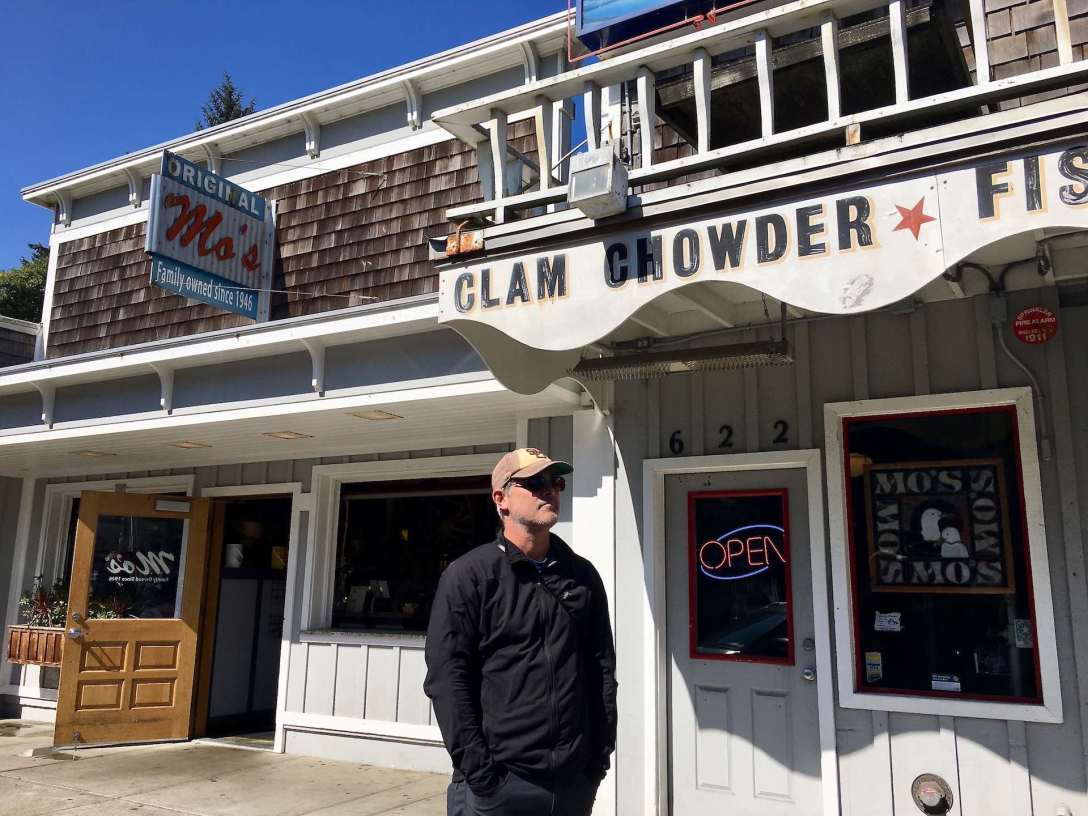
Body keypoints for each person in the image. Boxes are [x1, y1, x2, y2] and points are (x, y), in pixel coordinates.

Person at [424, 447, 618, 816]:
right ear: (501, 499)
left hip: (572, 786)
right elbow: (447, 680)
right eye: (535, 483)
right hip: (500, 786)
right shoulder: (470, 577)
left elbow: (601, 670)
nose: (550, 490)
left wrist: (597, 761)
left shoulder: (581, 577)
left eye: (555, 481)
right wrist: (483, 776)